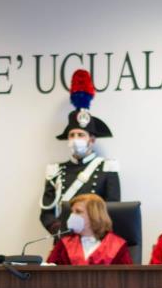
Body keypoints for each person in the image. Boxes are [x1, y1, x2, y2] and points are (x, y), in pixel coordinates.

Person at [40, 69, 120, 235]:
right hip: (64, 238)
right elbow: (46, 214)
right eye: (72, 135)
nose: (76, 138)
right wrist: (61, 230)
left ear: (92, 139)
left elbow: (114, 208)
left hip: (96, 238)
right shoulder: (55, 171)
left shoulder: (106, 168)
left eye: (81, 135)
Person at [47, 193, 132, 265]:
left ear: (94, 214)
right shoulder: (63, 244)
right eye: (72, 212)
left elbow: (128, 278)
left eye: (78, 211)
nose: (72, 216)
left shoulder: (117, 245)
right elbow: (47, 274)